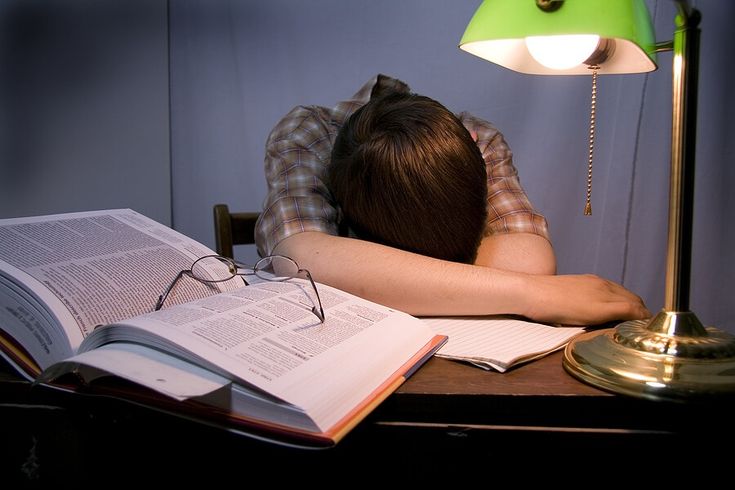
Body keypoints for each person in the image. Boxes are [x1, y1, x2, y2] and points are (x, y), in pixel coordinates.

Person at [255, 74, 649, 325]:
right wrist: (535, 295)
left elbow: (528, 259)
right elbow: (300, 256)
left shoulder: (474, 137)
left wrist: (364, 270)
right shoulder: (313, 131)